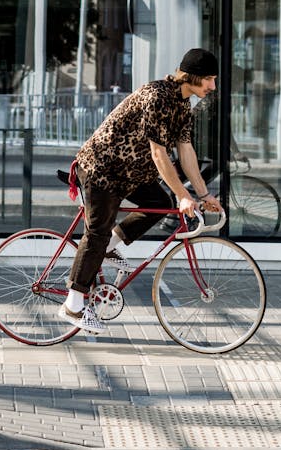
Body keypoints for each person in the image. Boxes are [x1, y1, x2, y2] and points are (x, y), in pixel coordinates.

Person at [60, 47, 222, 335]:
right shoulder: (158, 97)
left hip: (131, 174)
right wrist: (186, 196)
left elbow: (186, 151)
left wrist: (204, 194)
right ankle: (73, 305)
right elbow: (160, 155)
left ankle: (109, 247)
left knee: (160, 201)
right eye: (209, 79)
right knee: (96, 232)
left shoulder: (182, 105)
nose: (213, 86)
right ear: (192, 77)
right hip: (103, 169)